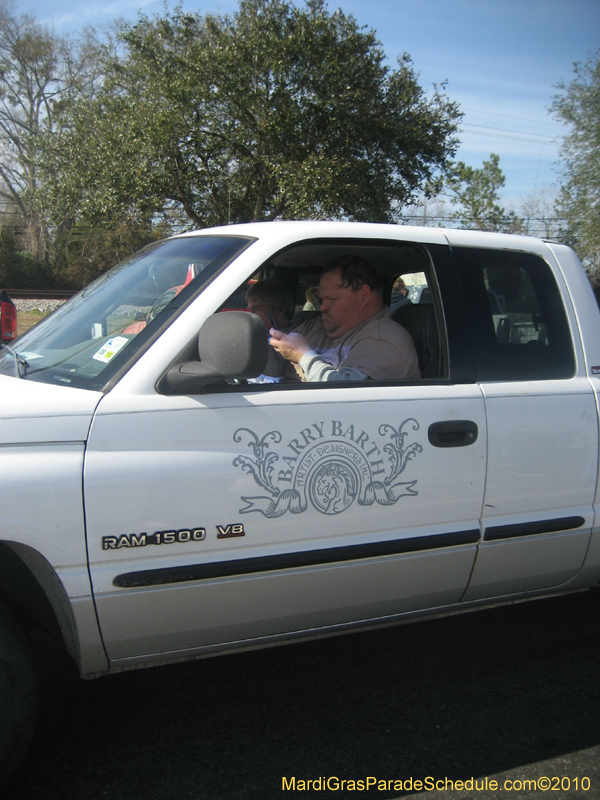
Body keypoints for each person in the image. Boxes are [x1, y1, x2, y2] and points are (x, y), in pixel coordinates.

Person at [270, 255, 420, 382]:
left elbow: (345, 398)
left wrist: (303, 355)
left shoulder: (386, 340)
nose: (322, 307)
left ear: (364, 295)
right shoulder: (314, 326)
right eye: (322, 299)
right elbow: (269, 363)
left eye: (332, 299)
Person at [245, 278, 295, 382]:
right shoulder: (254, 336)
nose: (251, 315)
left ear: (280, 309)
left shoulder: (295, 339)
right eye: (250, 310)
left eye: (257, 309)